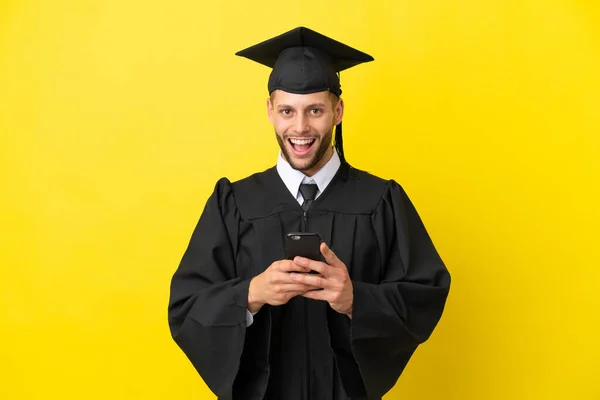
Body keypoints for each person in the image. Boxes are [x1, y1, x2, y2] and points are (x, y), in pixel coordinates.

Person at [168, 26, 451, 400]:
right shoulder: (234, 203)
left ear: (338, 111)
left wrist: (357, 300)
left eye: (314, 110)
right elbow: (186, 307)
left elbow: (425, 294)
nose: (300, 128)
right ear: (270, 111)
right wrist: (251, 294)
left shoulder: (381, 201)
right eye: (287, 110)